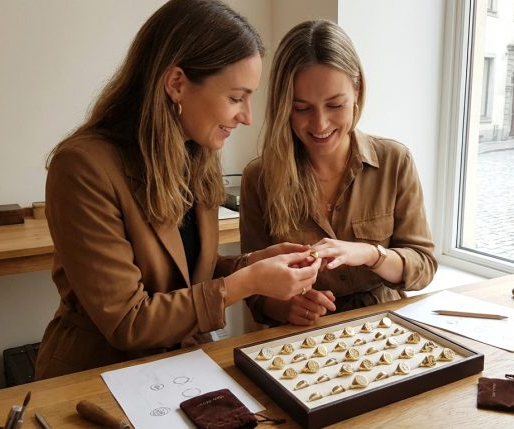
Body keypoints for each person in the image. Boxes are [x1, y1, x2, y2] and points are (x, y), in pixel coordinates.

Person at [35, 0, 321, 380]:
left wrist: (249, 264)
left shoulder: (195, 153)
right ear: (176, 84)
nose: (247, 116)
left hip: (182, 366)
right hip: (97, 378)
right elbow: (128, 322)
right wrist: (247, 283)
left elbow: (182, 272)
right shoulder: (83, 167)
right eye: (236, 98)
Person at [240, 20, 437, 326]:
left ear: (356, 91)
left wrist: (372, 254)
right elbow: (252, 290)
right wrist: (286, 307)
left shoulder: (394, 161)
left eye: (335, 105)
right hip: (300, 340)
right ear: (283, 105)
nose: (320, 125)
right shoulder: (258, 178)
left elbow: (422, 268)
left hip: (384, 330)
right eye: (301, 108)